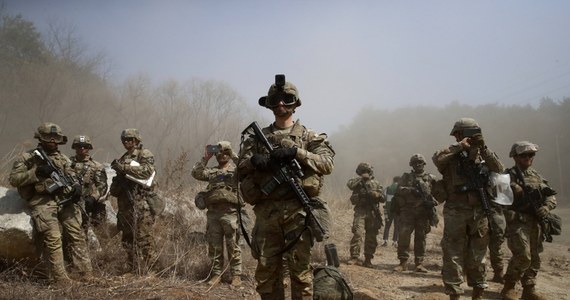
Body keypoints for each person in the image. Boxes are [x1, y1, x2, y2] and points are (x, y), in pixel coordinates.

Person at [237, 74, 335, 300]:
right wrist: (253, 161)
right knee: (267, 275)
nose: (281, 104)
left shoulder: (310, 137)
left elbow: (327, 164)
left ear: (296, 104)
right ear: (269, 105)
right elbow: (238, 168)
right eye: (275, 100)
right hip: (266, 214)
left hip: (298, 214)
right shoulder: (256, 139)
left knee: (300, 275)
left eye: (286, 99)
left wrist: (296, 152)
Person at [9, 122, 93, 285]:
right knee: (53, 238)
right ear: (40, 138)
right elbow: (13, 179)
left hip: (64, 200)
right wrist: (36, 172)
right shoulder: (28, 157)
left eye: (56, 138)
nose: (53, 141)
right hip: (42, 201)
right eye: (48, 137)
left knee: (77, 233)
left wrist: (76, 187)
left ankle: (86, 273)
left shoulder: (63, 158)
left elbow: (72, 174)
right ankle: (60, 279)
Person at [432, 117, 504, 300]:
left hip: (479, 211)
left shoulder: (484, 155)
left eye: (460, 134)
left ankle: (478, 293)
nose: (457, 137)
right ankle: (454, 294)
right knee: (453, 252)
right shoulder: (451, 154)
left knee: (478, 254)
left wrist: (484, 149)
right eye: (458, 135)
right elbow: (438, 159)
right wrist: (460, 147)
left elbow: (500, 169)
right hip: (456, 210)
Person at [500, 141, 556, 300]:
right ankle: (509, 287)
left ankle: (529, 289)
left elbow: (550, 195)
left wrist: (546, 207)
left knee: (535, 256)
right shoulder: (507, 175)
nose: (528, 158)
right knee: (523, 255)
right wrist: (512, 189)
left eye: (531, 155)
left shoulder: (537, 176)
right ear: (515, 157)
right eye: (524, 155)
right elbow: (499, 199)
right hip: (517, 222)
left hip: (536, 222)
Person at [191, 141, 242, 286]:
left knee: (233, 245)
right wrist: (205, 158)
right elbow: (196, 173)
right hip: (213, 213)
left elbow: (247, 169)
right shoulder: (212, 172)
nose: (222, 155)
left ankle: (236, 275)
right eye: (219, 152)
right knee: (214, 246)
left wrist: (233, 155)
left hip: (230, 212)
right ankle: (216, 274)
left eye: (225, 152)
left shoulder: (236, 171)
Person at [109, 128, 160, 274]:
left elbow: (147, 171)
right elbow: (116, 186)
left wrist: (124, 168)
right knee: (127, 239)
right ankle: (134, 269)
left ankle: (154, 271)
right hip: (125, 205)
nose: (127, 142)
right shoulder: (123, 158)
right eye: (124, 139)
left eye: (130, 139)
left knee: (144, 239)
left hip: (140, 202)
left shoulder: (144, 154)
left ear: (137, 140)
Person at [392, 154, 438, 273]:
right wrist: (411, 190)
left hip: (423, 212)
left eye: (420, 162)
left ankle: (419, 263)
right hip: (408, 211)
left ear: (424, 164)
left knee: (421, 237)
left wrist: (432, 202)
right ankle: (403, 262)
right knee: (404, 235)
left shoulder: (431, 178)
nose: (418, 164)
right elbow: (398, 190)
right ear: (411, 165)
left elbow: (438, 194)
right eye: (415, 163)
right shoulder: (406, 177)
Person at [69, 135, 108, 245]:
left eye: (85, 146)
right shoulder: (67, 164)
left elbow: (102, 186)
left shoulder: (96, 166)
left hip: (87, 203)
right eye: (79, 146)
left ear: (89, 148)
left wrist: (93, 197)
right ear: (75, 147)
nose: (82, 149)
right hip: (69, 202)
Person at [346, 162, 384, 268]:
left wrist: (376, 194)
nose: (365, 173)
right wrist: (361, 179)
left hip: (372, 212)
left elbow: (383, 197)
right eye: (363, 171)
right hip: (360, 211)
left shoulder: (376, 183)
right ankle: (354, 257)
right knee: (357, 233)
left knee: (371, 236)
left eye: (367, 171)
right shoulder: (356, 182)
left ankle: (368, 259)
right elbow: (349, 185)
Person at [382, 176, 400, 247]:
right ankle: (395, 241)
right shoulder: (400, 189)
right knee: (397, 226)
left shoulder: (387, 188)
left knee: (387, 225)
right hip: (397, 211)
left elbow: (383, 198)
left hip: (388, 210)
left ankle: (385, 241)